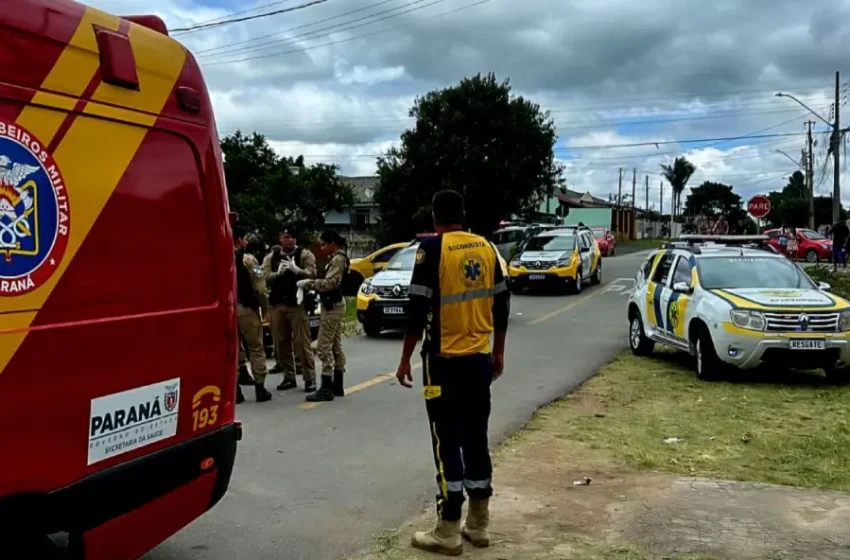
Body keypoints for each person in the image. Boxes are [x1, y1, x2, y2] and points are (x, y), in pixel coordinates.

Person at [395, 190, 509, 556]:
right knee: (476, 436)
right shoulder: (487, 248)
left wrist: (404, 359)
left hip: (443, 362)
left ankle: (447, 529)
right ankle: (478, 523)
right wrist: (498, 352)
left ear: (435, 217)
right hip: (479, 359)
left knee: (446, 440)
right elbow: (502, 304)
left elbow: (416, 310)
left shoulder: (431, 248)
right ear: (462, 214)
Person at [263, 228, 318, 393]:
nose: (290, 240)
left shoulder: (304, 254)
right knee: (281, 342)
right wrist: (277, 274)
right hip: (277, 304)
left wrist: (297, 270)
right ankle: (289, 376)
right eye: (286, 237)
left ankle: (309, 378)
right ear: (280, 238)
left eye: (293, 237)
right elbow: (264, 277)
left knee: (302, 342)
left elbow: (312, 274)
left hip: (297, 304)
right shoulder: (271, 257)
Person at [299, 230, 349, 402]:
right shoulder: (335, 258)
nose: (321, 248)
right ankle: (337, 383)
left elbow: (330, 283)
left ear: (332, 243)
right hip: (332, 305)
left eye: (324, 244)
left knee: (323, 346)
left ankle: (326, 385)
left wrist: (310, 284)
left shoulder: (338, 259)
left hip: (333, 306)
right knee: (335, 344)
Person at [233, 226, 273, 403]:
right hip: (247, 309)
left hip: (226, 310)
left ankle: (235, 390)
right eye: (244, 239)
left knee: (233, 350)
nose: (246, 242)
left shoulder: (218, 256)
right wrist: (265, 309)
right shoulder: (248, 260)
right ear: (239, 240)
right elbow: (260, 288)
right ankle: (260, 387)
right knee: (256, 347)